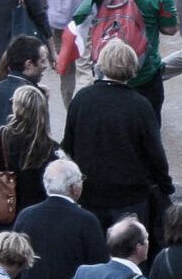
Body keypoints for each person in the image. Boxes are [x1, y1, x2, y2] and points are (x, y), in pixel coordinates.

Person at [63, 42, 171, 231]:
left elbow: (68, 146)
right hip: (130, 196)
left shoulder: (82, 99)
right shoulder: (139, 105)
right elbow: (154, 153)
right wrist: (164, 185)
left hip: (90, 193)